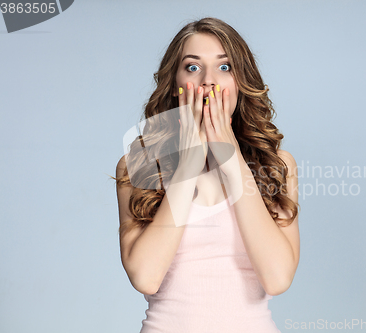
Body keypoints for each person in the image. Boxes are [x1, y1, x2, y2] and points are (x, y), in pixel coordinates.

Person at [113, 17, 300, 333]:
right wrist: (188, 163)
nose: (209, 81)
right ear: (175, 83)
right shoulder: (139, 165)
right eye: (193, 67)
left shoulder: (278, 165)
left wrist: (231, 160)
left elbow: (278, 278)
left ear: (240, 83)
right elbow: (145, 276)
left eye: (224, 68)